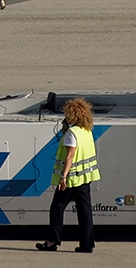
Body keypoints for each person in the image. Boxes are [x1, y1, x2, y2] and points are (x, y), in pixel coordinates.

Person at [36, 97, 99, 253]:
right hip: (85, 179)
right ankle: (87, 244)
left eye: (67, 114)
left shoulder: (72, 133)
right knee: (85, 212)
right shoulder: (86, 131)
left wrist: (63, 177)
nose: (65, 117)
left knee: (57, 208)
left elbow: (70, 156)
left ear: (72, 115)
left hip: (70, 180)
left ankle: (52, 242)